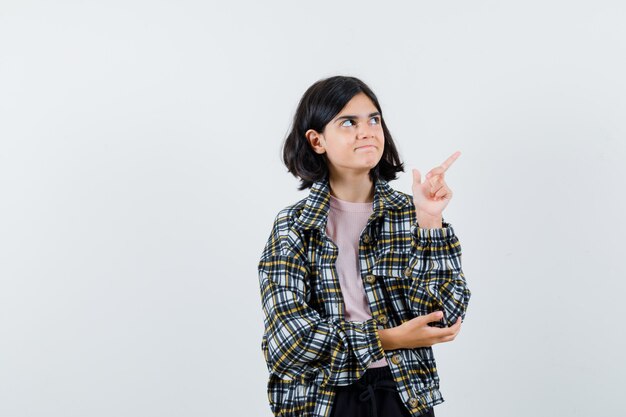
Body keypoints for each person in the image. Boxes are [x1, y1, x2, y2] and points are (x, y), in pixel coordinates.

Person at [257, 75, 471, 417]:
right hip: (323, 399)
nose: (367, 130)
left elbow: (444, 316)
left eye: (374, 119)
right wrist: (388, 338)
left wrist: (430, 220)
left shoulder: (410, 213)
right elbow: (288, 342)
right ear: (316, 141)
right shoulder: (294, 226)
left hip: (404, 394)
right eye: (348, 122)